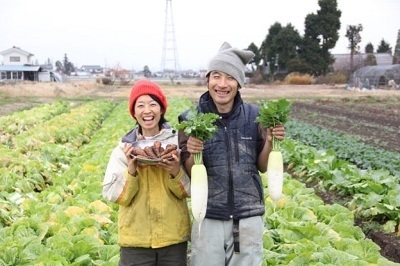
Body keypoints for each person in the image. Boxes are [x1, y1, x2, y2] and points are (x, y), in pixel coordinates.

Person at [178, 42, 285, 266]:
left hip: (248, 216)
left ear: (239, 83)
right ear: (207, 80)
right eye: (216, 76)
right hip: (207, 216)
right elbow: (189, 170)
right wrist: (193, 151)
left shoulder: (256, 115)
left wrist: (270, 142)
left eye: (230, 77)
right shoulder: (189, 119)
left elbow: (263, 166)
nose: (222, 84)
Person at [102, 79, 191, 266]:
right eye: (140, 105)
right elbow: (114, 195)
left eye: (153, 104)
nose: (147, 110)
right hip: (135, 242)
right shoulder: (123, 149)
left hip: (172, 239)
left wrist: (176, 172)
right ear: (134, 112)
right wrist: (131, 172)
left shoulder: (178, 145)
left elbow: (190, 192)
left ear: (162, 109)